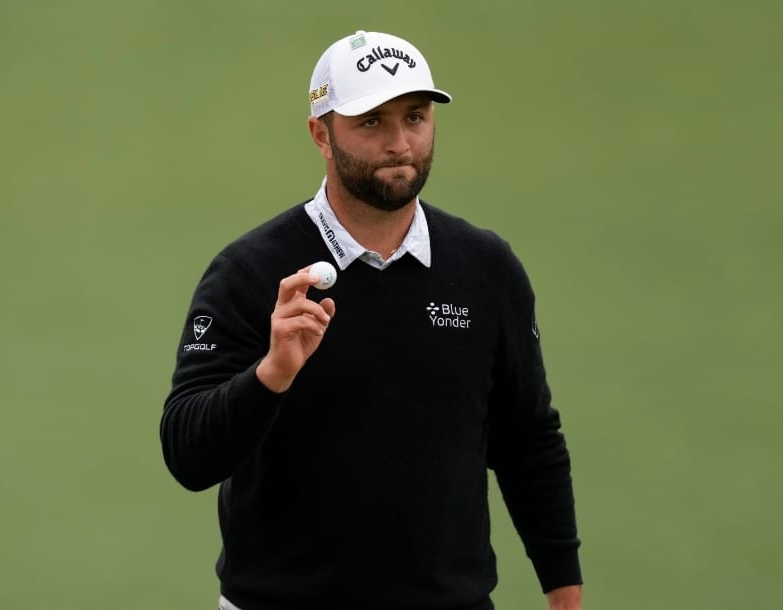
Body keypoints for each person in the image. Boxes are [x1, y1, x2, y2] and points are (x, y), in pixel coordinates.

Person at [161, 30, 583, 610]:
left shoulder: (486, 268)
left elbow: (528, 438)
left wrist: (563, 591)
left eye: (415, 117)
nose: (400, 143)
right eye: (371, 122)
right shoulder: (249, 272)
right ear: (321, 135)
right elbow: (187, 454)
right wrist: (271, 374)